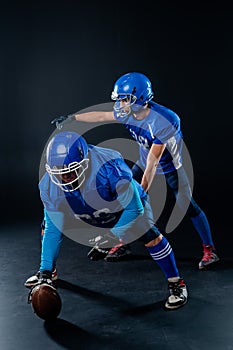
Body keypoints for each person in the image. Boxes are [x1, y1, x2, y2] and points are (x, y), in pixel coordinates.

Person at [51, 72, 219, 269]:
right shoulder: (128, 112)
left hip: (170, 165)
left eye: (125, 99)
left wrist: (141, 193)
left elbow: (153, 162)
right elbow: (102, 116)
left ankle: (210, 250)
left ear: (140, 97)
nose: (121, 104)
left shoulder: (164, 120)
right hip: (143, 159)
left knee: (187, 205)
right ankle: (124, 244)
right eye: (120, 99)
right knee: (121, 197)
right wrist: (72, 118)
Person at [25, 131, 188, 310]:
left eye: (72, 169)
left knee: (149, 234)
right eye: (60, 172)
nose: (66, 176)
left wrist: (110, 239)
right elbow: (53, 229)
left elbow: (134, 208)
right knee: (47, 225)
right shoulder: (49, 184)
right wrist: (45, 270)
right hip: (86, 209)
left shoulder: (110, 168)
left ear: (84, 160)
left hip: (122, 208)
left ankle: (176, 283)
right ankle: (49, 272)